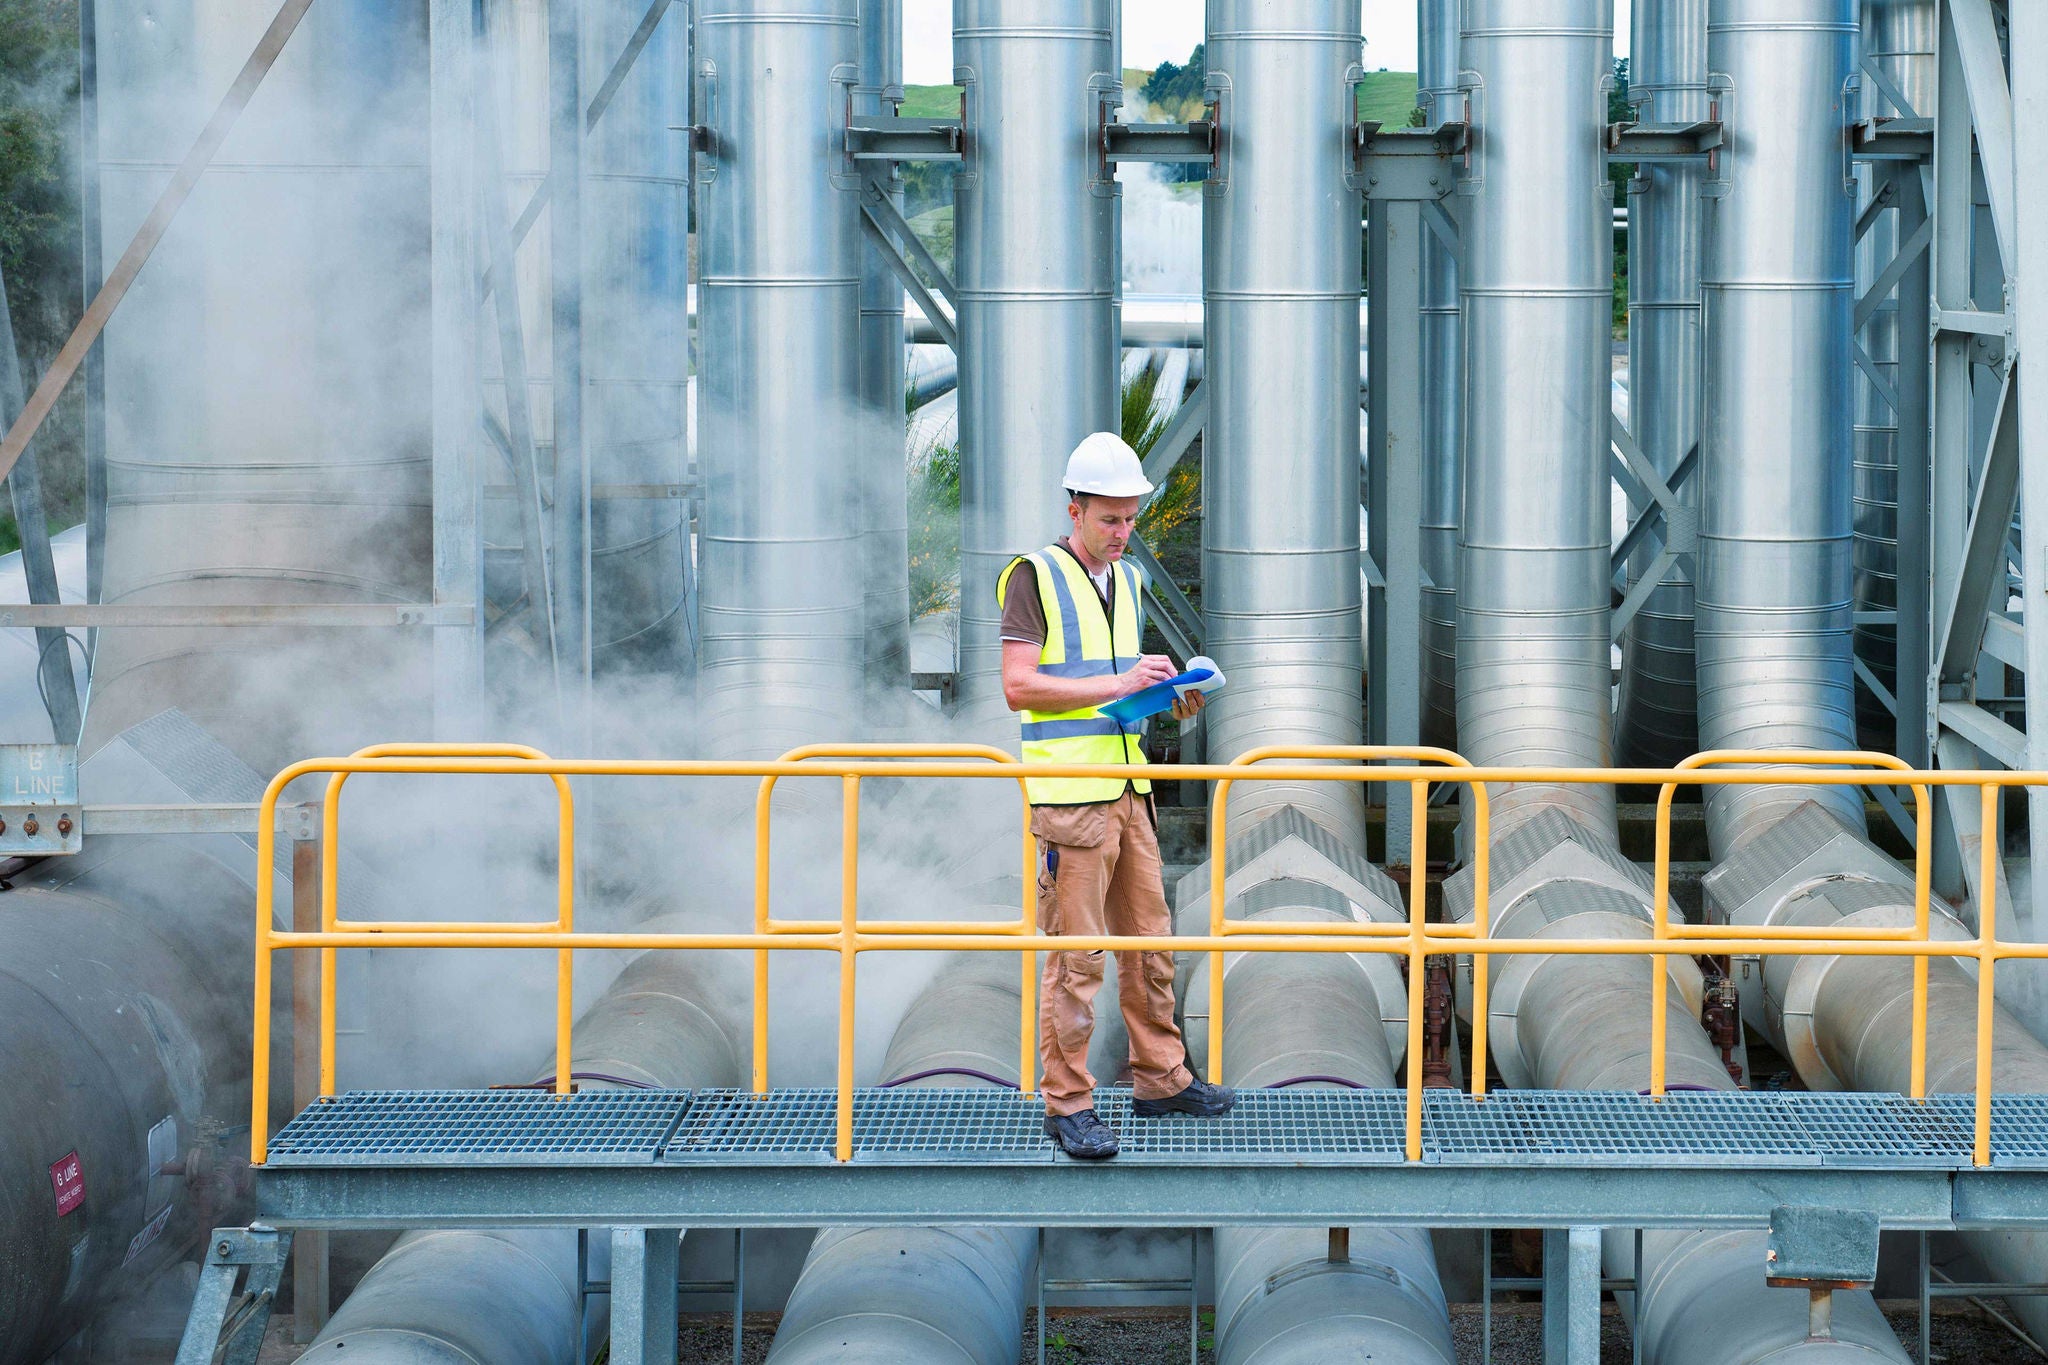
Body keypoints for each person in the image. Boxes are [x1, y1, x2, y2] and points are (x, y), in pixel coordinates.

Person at [996, 431, 1237, 1159]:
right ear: (1074, 509)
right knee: (1078, 960)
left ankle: (1161, 1078)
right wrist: (1119, 683)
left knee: (1150, 944)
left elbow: (1112, 683)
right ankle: (1067, 1103)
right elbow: (1019, 686)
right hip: (1070, 800)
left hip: (1129, 788)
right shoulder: (1032, 576)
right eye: (1110, 518)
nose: (1123, 532)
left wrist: (1168, 694)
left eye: (1131, 518)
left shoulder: (1125, 579)